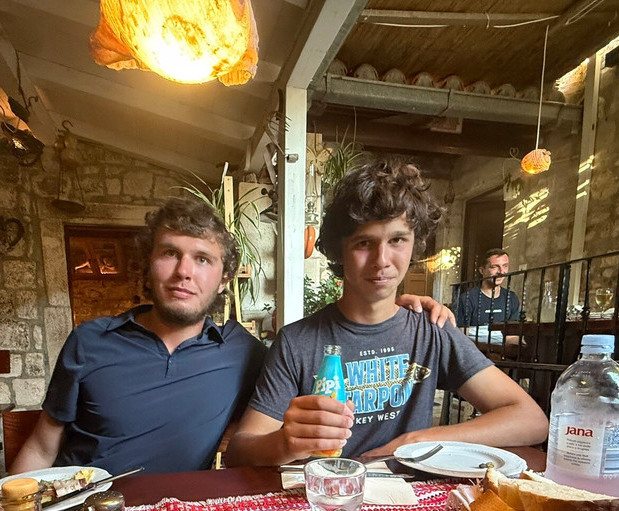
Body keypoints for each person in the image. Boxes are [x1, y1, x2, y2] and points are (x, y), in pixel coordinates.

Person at [12, 196, 457, 476]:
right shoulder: (89, 340)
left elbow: (252, 441)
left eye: (203, 259)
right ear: (148, 264)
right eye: (170, 253)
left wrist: (395, 303)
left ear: (224, 278)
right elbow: (40, 447)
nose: (184, 272)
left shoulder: (244, 353)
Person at [225, 160, 548, 467]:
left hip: (411, 498)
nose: (382, 260)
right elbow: (239, 452)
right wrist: (286, 443)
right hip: (327, 495)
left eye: (397, 240)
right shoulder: (297, 342)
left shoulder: (431, 330)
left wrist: (419, 440)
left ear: (415, 244)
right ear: (339, 251)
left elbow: (532, 420)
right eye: (364, 243)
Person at [455, 249, 522, 347]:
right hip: (475, 351)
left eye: (505, 266)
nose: (501, 272)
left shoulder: (511, 298)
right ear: (482, 270)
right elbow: (461, 336)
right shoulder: (467, 298)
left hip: (504, 352)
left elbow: (511, 336)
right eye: (494, 267)